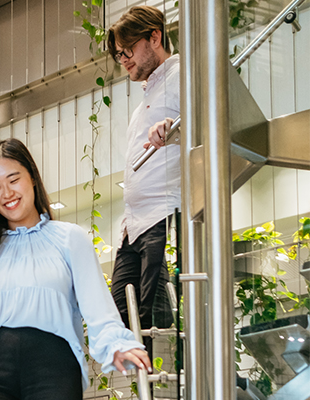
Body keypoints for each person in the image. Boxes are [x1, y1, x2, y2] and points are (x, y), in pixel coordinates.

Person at [0, 138, 150, 400]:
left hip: (54, 369)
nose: (7, 193)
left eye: (14, 180)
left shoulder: (71, 238)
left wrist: (118, 345)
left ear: (33, 178)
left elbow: (98, 308)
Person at [106, 5, 179, 356]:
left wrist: (175, 130)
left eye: (128, 49)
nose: (124, 60)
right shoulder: (144, 100)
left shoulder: (183, 77)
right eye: (119, 54)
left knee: (156, 322)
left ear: (155, 36)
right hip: (133, 227)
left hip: (163, 215)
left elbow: (211, 122)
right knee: (122, 318)